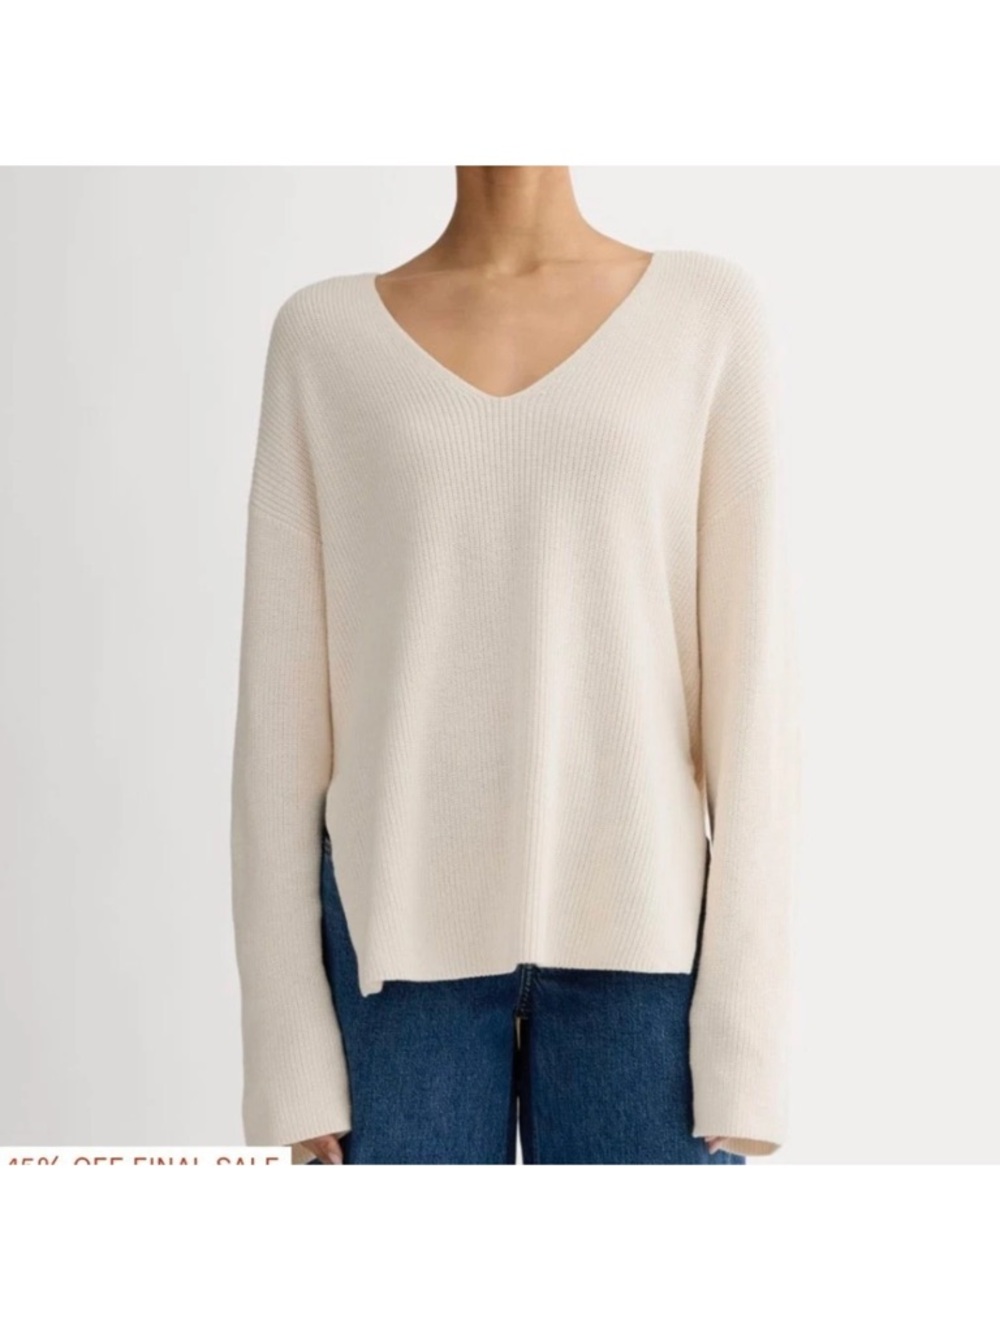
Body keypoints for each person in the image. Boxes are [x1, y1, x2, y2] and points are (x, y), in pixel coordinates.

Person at [230, 165, 800, 1165]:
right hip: (393, 957)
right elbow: (278, 724)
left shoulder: (706, 315)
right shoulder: (323, 339)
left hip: (648, 959)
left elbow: (756, 703)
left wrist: (747, 1041)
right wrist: (287, 1050)